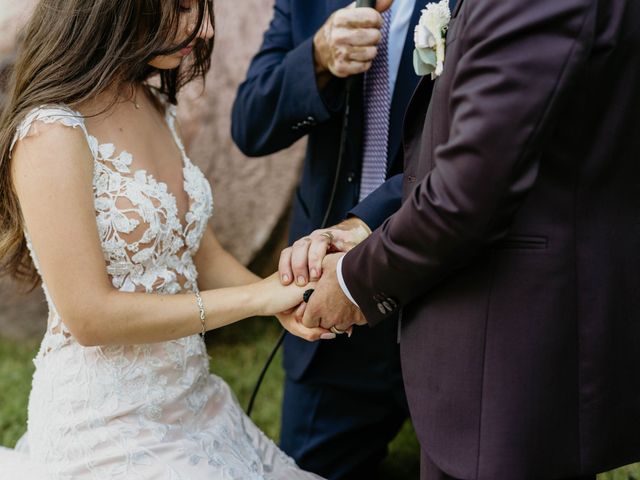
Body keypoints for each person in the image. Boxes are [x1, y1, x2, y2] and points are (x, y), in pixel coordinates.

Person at [290, 0, 640, 478]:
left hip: (513, 360)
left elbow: (472, 190)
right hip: (497, 355)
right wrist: (366, 224)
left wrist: (353, 284)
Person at [0, 0, 331, 478]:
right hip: (105, 424)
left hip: (193, 400)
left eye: (201, 7)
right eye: (180, 7)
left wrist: (281, 298)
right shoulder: (49, 133)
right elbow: (89, 316)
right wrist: (255, 300)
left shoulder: (155, 103)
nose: (202, 27)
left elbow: (203, 254)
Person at [231, 1, 447, 477]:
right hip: (328, 300)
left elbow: (467, 156)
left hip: (448, 294)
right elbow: (249, 123)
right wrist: (315, 60)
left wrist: (367, 222)